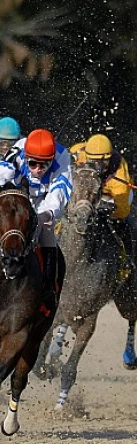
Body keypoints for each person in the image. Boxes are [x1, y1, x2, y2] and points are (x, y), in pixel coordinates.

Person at [0, 128, 72, 312]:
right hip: (16, 193)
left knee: (47, 232)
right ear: (26, 157)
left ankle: (49, 287)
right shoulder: (18, 149)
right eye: (32, 164)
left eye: (44, 165)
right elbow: (3, 173)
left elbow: (60, 190)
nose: (38, 170)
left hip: (43, 201)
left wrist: (47, 214)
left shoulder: (62, 157)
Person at [70, 133, 137, 268]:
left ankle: (126, 257)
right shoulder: (77, 152)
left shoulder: (119, 169)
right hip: (88, 191)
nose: (97, 167)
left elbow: (122, 209)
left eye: (102, 163)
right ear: (86, 155)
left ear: (109, 159)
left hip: (111, 194)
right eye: (92, 162)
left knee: (121, 221)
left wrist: (108, 209)